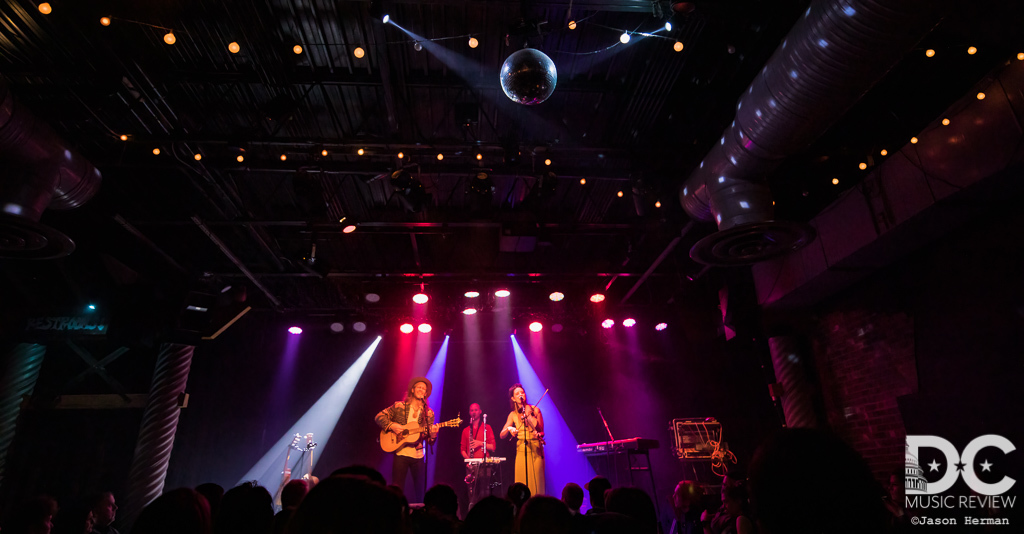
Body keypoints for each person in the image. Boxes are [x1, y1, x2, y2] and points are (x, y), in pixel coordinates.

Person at [375, 376, 438, 502]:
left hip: (418, 455)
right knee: (396, 490)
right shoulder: (399, 406)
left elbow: (429, 440)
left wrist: (433, 435)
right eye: (419, 387)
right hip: (401, 453)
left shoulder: (429, 413)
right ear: (413, 390)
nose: (421, 390)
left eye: (423, 389)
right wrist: (391, 425)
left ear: (426, 394)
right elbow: (379, 416)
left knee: (421, 491)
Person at [499, 384, 545, 496]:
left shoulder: (535, 410)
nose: (521, 395)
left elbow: (542, 432)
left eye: (522, 392)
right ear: (513, 399)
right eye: (517, 393)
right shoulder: (513, 414)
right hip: (521, 450)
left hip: (535, 449)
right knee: (522, 482)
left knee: (537, 482)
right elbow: (502, 434)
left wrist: (537, 432)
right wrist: (510, 428)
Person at [462, 402, 497, 508]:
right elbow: (462, 449)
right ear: (469, 412)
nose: (473, 412)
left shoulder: (487, 427)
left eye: (476, 410)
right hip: (471, 465)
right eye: (471, 410)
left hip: (484, 465)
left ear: (480, 412)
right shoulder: (466, 430)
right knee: (472, 494)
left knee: (484, 492)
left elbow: (493, 447)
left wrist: (480, 443)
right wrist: (469, 461)